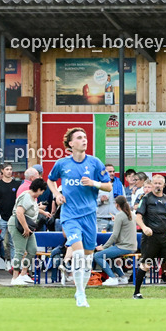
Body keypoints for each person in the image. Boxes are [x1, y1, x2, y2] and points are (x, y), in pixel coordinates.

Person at [47, 127, 113, 308]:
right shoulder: (62, 164)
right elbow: (50, 179)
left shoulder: (94, 163)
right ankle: (82, 295)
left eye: (85, 137)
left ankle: (80, 291)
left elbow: (108, 187)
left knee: (87, 257)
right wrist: (56, 194)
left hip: (90, 216)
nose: (84, 140)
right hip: (70, 216)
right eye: (79, 138)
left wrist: (93, 183)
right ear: (71, 143)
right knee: (77, 253)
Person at [10, 178, 48, 285]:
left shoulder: (32, 197)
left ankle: (23, 274)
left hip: (27, 226)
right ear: (39, 189)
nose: (42, 194)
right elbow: (19, 212)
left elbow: (32, 208)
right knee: (20, 251)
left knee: (32, 250)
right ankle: (15, 278)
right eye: (42, 191)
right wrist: (26, 228)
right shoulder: (26, 196)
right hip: (18, 225)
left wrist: (43, 213)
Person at [0, 164, 22, 265]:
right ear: (2, 171)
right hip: (1, 218)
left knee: (13, 243)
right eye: (7, 169)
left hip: (14, 217)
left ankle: (14, 265)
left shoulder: (17, 184)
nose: (9, 171)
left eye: (11, 169)